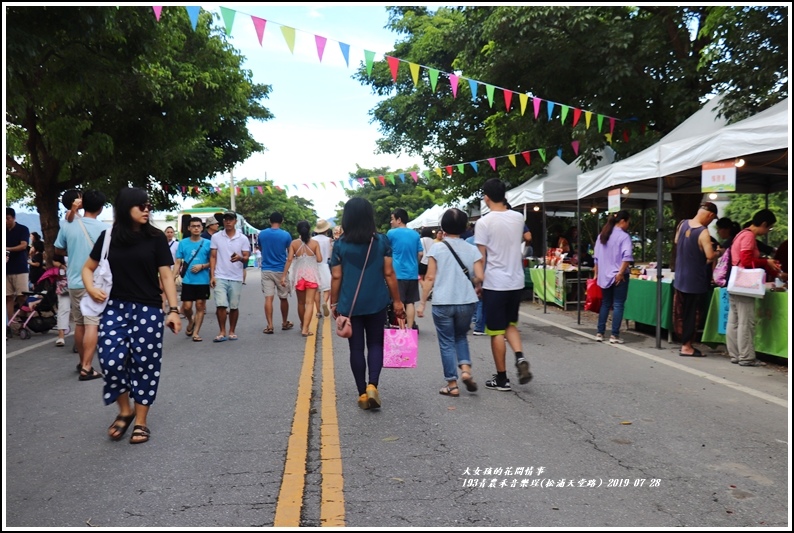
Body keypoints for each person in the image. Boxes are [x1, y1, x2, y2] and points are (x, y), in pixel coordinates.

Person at [82, 187, 181, 444]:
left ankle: (141, 422)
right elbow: (88, 269)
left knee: (146, 365)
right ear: (126, 208)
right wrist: (92, 288)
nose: (147, 209)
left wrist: (173, 310)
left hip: (148, 309)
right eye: (141, 206)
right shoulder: (109, 237)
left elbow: (166, 275)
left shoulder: (156, 237)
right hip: (115, 307)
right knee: (111, 361)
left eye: (149, 206)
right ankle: (124, 410)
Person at [330, 197, 405, 410]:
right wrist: (397, 301)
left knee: (355, 349)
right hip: (377, 301)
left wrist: (334, 303)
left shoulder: (340, 244)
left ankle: (362, 392)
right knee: (375, 344)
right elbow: (389, 273)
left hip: (350, 305)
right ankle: (373, 385)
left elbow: (336, 277)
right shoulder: (381, 241)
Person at [417, 208, 484, 397]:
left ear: (443, 227)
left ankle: (452, 385)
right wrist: (474, 285)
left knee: (446, 342)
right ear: (464, 227)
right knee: (461, 336)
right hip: (466, 301)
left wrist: (422, 303)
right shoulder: (472, 249)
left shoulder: (437, 248)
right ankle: (466, 370)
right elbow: (480, 276)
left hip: (443, 302)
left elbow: (429, 278)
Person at [475, 179, 532, 390]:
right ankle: (519, 357)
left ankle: (501, 378)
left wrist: (478, 282)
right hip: (515, 281)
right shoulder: (518, 218)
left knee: (496, 331)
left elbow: (480, 258)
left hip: (494, 282)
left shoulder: (484, 223)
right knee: (510, 325)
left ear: (486, 197)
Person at [53, 189, 109, 379]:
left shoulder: (67, 225)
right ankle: (87, 367)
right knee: (93, 323)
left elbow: (58, 249)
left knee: (80, 323)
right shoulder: (104, 229)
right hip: (94, 282)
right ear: (101, 209)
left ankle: (81, 361)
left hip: (75, 280)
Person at [727, 209, 784, 366]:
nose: (767, 231)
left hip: (734, 281)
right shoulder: (749, 236)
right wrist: (766, 262)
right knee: (746, 322)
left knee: (734, 321)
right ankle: (746, 357)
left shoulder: (741, 234)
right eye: (769, 228)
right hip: (745, 283)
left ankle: (735, 354)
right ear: (764, 224)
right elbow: (746, 260)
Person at [673, 202, 718, 357]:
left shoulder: (682, 224)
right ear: (710, 215)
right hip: (694, 280)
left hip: (680, 277)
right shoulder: (703, 232)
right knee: (692, 314)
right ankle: (687, 346)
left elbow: (677, 242)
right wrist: (716, 253)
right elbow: (709, 256)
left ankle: (683, 343)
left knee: (680, 312)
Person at [209, 211, 250, 342]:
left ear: (235, 221)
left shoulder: (242, 238)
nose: (228, 221)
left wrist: (240, 258)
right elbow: (213, 256)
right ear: (223, 221)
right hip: (220, 275)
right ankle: (222, 331)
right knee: (221, 305)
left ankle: (232, 330)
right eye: (226, 219)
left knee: (233, 306)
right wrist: (212, 276)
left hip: (236, 276)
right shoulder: (216, 237)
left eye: (230, 219)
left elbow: (246, 258)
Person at [593, 210, 633, 345]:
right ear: (623, 221)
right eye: (628, 222)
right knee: (618, 304)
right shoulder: (624, 237)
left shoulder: (602, 235)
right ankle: (614, 335)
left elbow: (596, 258)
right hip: (619, 275)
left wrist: (597, 274)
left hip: (605, 275)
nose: (628, 225)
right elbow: (627, 257)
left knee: (605, 303)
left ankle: (600, 333)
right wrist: (621, 273)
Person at [283, 221, 323, 337]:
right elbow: (319, 259)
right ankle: (305, 329)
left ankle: (302, 324)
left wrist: (283, 276)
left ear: (298, 230)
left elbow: (289, 259)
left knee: (301, 303)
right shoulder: (315, 243)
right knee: (310, 303)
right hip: (312, 276)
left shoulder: (294, 243)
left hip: (299, 276)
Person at [175, 217, 211, 342]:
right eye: (193, 226)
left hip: (203, 280)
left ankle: (196, 333)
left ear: (202, 228)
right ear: (189, 228)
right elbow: (178, 261)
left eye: (198, 226)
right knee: (187, 307)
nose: (196, 228)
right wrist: (173, 275)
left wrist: (203, 266)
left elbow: (213, 261)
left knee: (200, 306)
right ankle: (190, 321)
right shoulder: (183, 243)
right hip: (188, 281)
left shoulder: (208, 243)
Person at [257, 211, 295, 334]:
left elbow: (261, 248)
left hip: (266, 269)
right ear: (282, 221)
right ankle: (284, 322)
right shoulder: (286, 235)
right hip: (280, 269)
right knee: (283, 298)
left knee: (268, 298)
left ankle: (270, 325)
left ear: (270, 221)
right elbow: (290, 252)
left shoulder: (262, 234)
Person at [387, 208, 423, 329]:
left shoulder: (391, 234)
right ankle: (410, 329)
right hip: (412, 273)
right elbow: (421, 253)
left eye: (392, 219)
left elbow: (386, 251)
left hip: (397, 273)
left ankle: (402, 330)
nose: (391, 222)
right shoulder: (415, 234)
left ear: (399, 220)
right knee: (410, 302)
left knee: (399, 302)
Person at [6, 207, 31, 323]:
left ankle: (25, 320)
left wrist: (8, 249)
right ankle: (9, 323)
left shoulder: (23, 229)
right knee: (8, 297)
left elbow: (24, 245)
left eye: (8, 218)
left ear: (14, 218)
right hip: (6, 269)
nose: (6, 221)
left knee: (22, 296)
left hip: (20, 268)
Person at [466, 221, 486, 336]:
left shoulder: (467, 241)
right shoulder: (485, 242)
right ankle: (479, 327)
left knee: (470, 298)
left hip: (469, 272)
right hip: (481, 272)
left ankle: (469, 321)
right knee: (480, 301)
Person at [312, 219, 334, 318]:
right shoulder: (329, 240)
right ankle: (324, 302)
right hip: (325, 265)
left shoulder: (312, 240)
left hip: (315, 266)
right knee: (327, 289)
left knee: (316, 290)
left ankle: (318, 311)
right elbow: (330, 254)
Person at [52, 252, 71, 347]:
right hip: (64, 284)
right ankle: (61, 336)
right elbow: (54, 261)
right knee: (63, 309)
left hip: (79, 282)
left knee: (80, 310)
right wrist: (62, 266)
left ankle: (83, 336)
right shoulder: (60, 247)